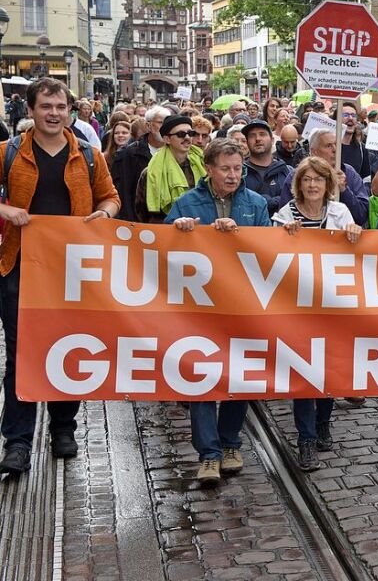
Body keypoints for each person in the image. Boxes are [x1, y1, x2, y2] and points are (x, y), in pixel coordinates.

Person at [0, 79, 120, 475]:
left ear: (70, 110)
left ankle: (63, 427)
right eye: (46, 106)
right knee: (21, 353)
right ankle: (17, 441)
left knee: (68, 348)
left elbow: (111, 197)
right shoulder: (8, 153)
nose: (54, 113)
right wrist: (5, 212)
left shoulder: (87, 155)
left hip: (73, 270)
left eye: (60, 106)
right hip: (19, 267)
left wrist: (103, 215)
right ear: (31, 111)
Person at [166, 138, 271, 486]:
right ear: (208, 169)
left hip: (242, 305)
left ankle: (230, 444)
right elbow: (158, 248)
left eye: (238, 169)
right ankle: (208, 454)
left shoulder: (255, 204)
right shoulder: (186, 202)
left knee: (240, 377)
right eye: (225, 169)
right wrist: (179, 231)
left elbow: (271, 251)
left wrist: (243, 235)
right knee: (201, 376)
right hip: (200, 308)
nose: (232, 175)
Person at [272, 156, 362, 471]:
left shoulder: (340, 213)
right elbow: (271, 256)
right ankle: (306, 439)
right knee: (303, 374)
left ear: (328, 185)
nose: (312, 185)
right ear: (299, 184)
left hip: (332, 307)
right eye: (307, 179)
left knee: (328, 370)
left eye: (318, 180)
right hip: (298, 308)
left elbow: (355, 252)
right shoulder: (284, 215)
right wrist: (283, 236)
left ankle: (323, 422)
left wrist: (354, 232)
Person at [135, 115, 207, 224]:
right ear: (167, 139)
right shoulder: (152, 172)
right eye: (181, 134)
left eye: (191, 133)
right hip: (167, 232)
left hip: (201, 228)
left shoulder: (204, 164)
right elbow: (142, 212)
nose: (187, 138)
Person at [111, 105, 168, 221]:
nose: (165, 127)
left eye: (168, 123)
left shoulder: (176, 152)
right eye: (161, 122)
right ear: (148, 125)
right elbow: (123, 192)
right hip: (137, 222)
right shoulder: (129, 154)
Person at [241, 119, 293, 215]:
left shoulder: (288, 172)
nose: (257, 139)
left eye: (262, 134)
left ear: (272, 140)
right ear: (247, 142)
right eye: (252, 136)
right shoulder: (239, 173)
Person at [338, 101, 378, 179]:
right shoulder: (330, 146)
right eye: (345, 115)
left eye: (353, 115)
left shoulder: (362, 149)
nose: (350, 118)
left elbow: (365, 179)